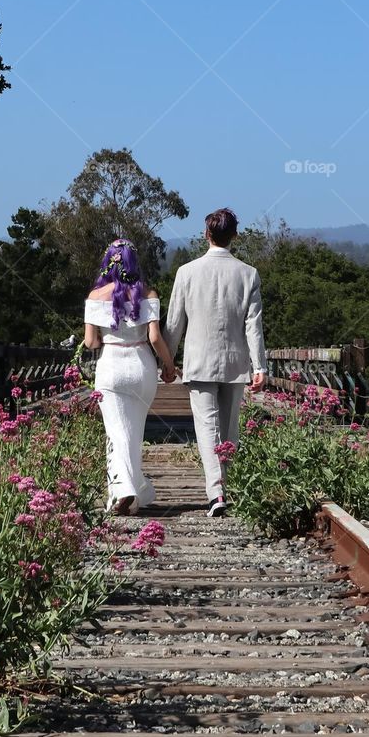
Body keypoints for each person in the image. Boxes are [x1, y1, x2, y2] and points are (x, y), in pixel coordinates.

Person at [164, 208, 267, 517]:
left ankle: (216, 493)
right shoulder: (248, 273)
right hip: (236, 363)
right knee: (229, 427)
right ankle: (226, 485)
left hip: (199, 361)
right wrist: (260, 366)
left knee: (207, 428)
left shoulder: (186, 272)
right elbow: (253, 325)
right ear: (234, 235)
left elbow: (174, 324)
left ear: (206, 234)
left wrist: (167, 363)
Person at [84, 238, 176, 515]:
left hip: (111, 365)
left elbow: (90, 343)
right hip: (141, 366)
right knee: (133, 432)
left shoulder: (95, 297)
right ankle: (131, 491)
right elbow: (155, 337)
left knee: (116, 431)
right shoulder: (148, 294)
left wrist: (104, 336)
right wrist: (169, 364)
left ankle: (123, 490)